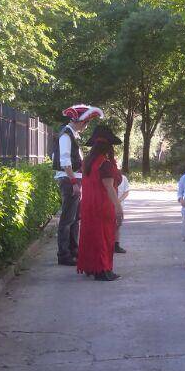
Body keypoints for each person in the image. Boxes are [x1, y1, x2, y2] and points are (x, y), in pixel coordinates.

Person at [52, 105, 103, 266]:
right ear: (80, 121)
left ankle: (73, 250)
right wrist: (74, 182)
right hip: (69, 180)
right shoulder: (66, 135)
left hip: (73, 180)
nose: (86, 126)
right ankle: (64, 254)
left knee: (74, 218)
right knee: (68, 219)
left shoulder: (70, 135)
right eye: (86, 122)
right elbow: (65, 161)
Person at [76, 125, 122, 281]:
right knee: (104, 237)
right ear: (108, 146)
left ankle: (91, 267)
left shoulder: (87, 162)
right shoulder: (105, 163)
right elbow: (109, 187)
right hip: (102, 206)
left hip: (88, 205)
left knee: (90, 236)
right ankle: (102, 269)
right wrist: (118, 207)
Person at [114, 172, 130, 254]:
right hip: (108, 205)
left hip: (119, 205)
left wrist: (118, 201)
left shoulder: (123, 178)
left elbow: (126, 192)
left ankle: (116, 245)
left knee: (117, 225)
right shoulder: (108, 177)